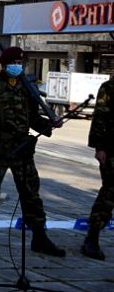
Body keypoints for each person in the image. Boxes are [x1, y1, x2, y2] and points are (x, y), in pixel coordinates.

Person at [0, 46, 65, 258]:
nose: (17, 67)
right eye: (13, 63)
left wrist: (50, 124)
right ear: (4, 65)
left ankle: (40, 237)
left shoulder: (26, 87)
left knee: (31, 194)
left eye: (20, 63)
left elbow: (33, 118)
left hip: (22, 148)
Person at [81, 77, 114, 260]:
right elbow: (100, 116)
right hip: (111, 149)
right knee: (109, 192)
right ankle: (92, 237)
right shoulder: (109, 87)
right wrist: (99, 146)